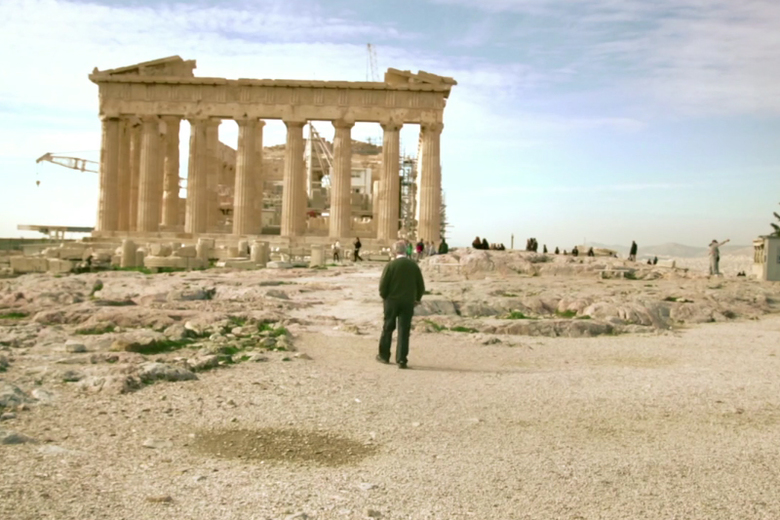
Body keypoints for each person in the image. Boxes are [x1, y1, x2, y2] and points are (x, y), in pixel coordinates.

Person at [377, 241, 426, 369]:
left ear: (394, 251)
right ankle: (402, 359)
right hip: (408, 302)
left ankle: (384, 356)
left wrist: (385, 297)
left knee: (388, 328)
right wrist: (417, 299)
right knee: (404, 331)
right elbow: (421, 286)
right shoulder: (413, 265)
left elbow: (383, 286)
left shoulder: (391, 265)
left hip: (391, 301)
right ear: (405, 250)